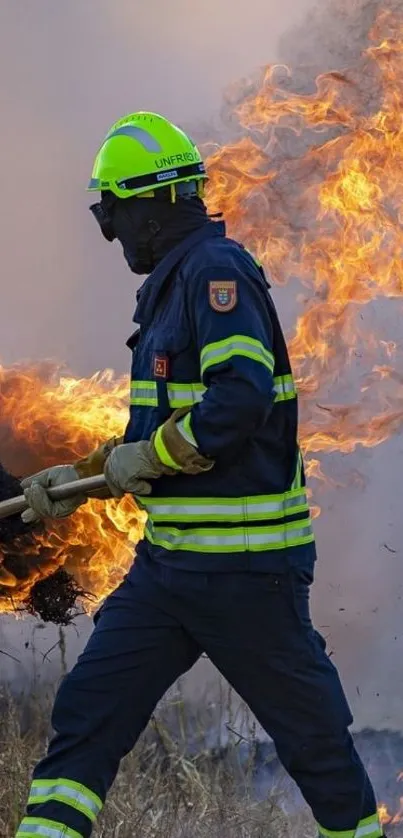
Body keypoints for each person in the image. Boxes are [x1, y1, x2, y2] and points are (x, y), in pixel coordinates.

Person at [16, 112, 384, 838]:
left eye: (113, 214)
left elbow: (238, 398)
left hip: (247, 574)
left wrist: (148, 458)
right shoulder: (170, 289)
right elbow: (157, 431)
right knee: (88, 715)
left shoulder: (215, 274)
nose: (113, 233)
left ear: (150, 205)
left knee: (313, 745)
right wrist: (81, 475)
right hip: (170, 571)